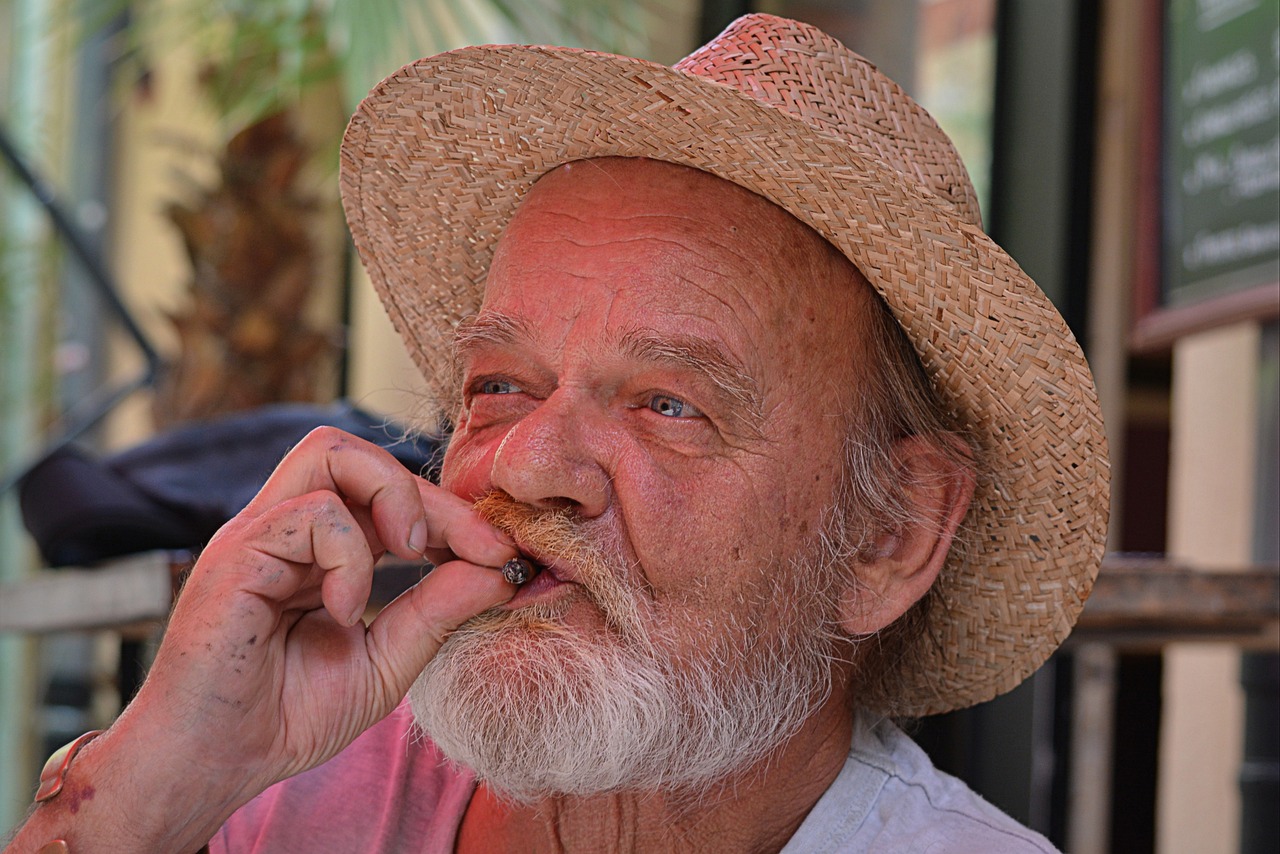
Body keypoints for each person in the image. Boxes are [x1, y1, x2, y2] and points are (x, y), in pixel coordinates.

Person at [5, 13, 1109, 854]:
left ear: (888, 534)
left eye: (668, 403)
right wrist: (154, 779)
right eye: (497, 385)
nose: (521, 463)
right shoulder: (285, 789)